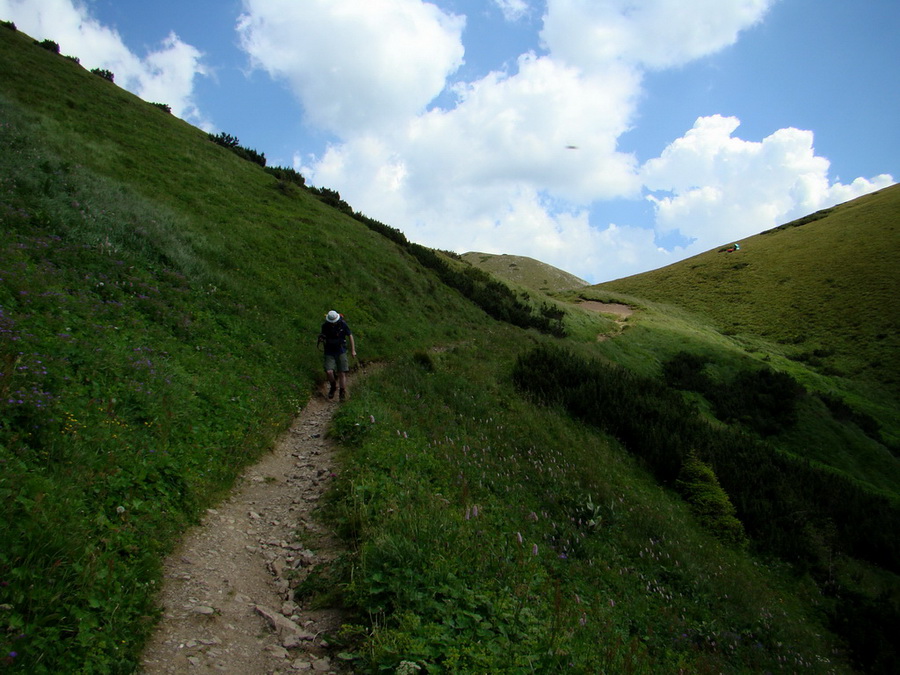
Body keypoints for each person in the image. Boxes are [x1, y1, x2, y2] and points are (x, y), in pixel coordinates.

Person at [319, 310, 356, 401]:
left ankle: (342, 392)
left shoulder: (343, 324)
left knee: (342, 372)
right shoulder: (325, 326)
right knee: (329, 371)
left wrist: (353, 350)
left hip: (341, 350)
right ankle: (333, 386)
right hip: (329, 351)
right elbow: (323, 335)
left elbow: (350, 335)